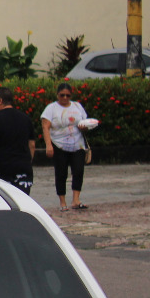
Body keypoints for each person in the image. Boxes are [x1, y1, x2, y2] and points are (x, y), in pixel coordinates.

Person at [41, 83, 91, 211]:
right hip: (59, 144)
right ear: (57, 95)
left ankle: (76, 199)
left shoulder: (77, 106)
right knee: (61, 173)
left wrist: (84, 127)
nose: (64, 98)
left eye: (67, 95)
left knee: (78, 171)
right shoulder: (51, 108)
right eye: (62, 95)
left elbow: (85, 122)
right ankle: (62, 202)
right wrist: (48, 145)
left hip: (77, 144)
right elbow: (45, 127)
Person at [0, 87, 35, 195]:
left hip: (1, 169)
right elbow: (32, 144)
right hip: (23, 169)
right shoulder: (25, 119)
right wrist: (28, 161)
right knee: (21, 202)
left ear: (0, 101)